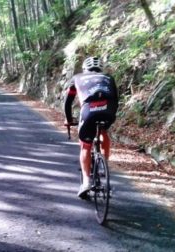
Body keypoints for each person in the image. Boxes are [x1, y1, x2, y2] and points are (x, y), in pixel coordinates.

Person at [64, 56, 119, 199]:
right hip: (109, 109)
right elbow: (116, 98)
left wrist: (69, 120)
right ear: (101, 67)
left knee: (85, 145)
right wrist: (110, 114)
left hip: (89, 110)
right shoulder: (108, 77)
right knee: (103, 130)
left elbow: (68, 102)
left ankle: (86, 182)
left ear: (84, 68)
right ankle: (104, 164)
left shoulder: (77, 78)